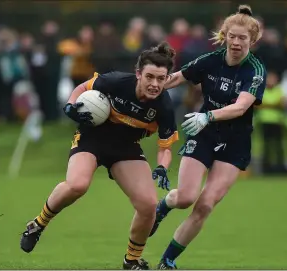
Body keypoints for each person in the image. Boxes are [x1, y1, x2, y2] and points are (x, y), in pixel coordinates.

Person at [20, 42, 179, 270]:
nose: (154, 84)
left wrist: (163, 167)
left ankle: (131, 261)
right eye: (150, 77)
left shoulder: (164, 106)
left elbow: (165, 147)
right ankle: (37, 225)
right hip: (92, 138)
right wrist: (69, 106)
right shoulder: (116, 81)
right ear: (138, 74)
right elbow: (81, 89)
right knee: (77, 185)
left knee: (148, 205)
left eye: (160, 79)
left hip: (125, 147)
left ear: (167, 79)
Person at [149, 5, 267, 269]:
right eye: (232, 36)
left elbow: (241, 107)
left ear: (252, 40)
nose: (236, 43)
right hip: (204, 134)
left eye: (242, 38)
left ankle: (167, 260)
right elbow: (176, 78)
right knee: (186, 197)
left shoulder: (255, 70)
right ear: (224, 35)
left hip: (235, 142)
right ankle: (164, 205)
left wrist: (208, 115)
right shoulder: (210, 60)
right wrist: (148, 87)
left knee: (205, 206)